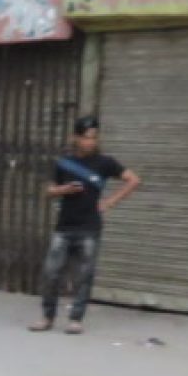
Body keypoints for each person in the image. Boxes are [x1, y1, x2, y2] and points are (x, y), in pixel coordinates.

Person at [31, 113, 140, 334]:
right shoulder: (64, 162)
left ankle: (75, 319)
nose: (90, 141)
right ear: (75, 138)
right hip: (64, 227)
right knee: (51, 272)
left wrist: (110, 201)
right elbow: (48, 190)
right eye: (86, 137)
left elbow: (133, 179)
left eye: (94, 137)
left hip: (90, 227)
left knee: (84, 275)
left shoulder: (105, 163)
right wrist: (63, 190)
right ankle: (47, 316)